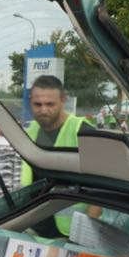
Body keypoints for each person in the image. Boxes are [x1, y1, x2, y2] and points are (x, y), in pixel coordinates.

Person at [21, 75, 93, 236]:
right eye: (37, 104)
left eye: (50, 104)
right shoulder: (31, 131)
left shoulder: (82, 131)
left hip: (71, 234)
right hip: (35, 228)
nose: (43, 110)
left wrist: (85, 235)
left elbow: (107, 186)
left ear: (63, 100)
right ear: (30, 101)